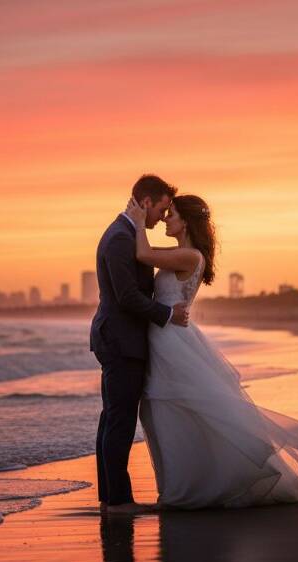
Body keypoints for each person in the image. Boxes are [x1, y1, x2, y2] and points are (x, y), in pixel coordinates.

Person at [125, 194, 298, 508]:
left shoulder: (190, 256)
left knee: (172, 410)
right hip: (169, 338)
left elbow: (142, 253)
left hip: (172, 343)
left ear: (186, 222)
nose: (166, 219)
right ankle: (183, 486)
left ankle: (186, 490)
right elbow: (148, 255)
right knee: (167, 412)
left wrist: (138, 223)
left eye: (172, 214)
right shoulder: (182, 253)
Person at [90, 174, 190, 515]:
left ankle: (110, 498)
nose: (162, 217)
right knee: (119, 420)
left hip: (120, 338)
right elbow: (127, 296)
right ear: (146, 202)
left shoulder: (128, 234)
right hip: (120, 339)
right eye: (161, 209)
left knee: (113, 418)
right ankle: (117, 501)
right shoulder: (120, 237)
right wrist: (167, 314)